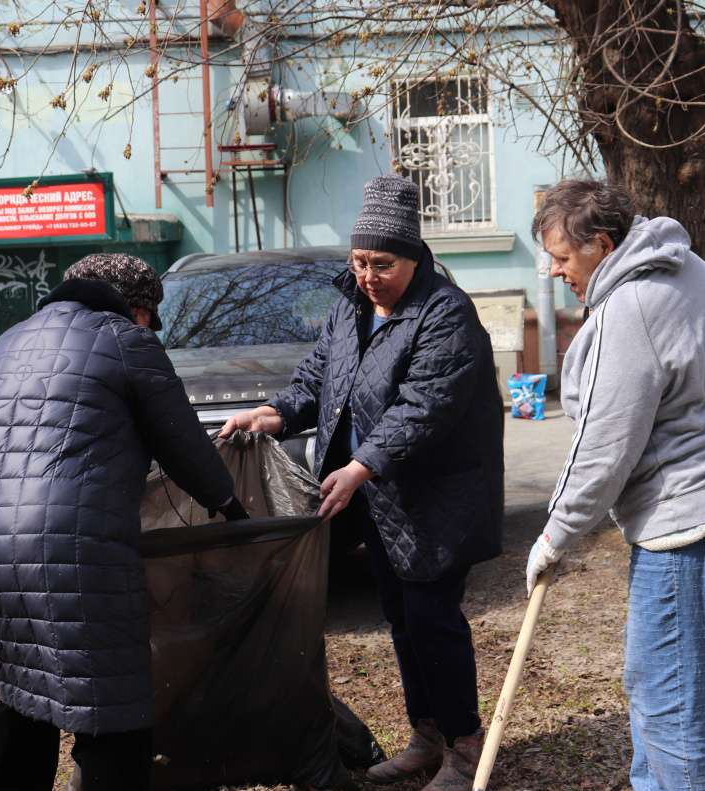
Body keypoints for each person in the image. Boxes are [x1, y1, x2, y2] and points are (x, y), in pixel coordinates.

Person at [220, 174, 504, 791]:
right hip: (377, 497)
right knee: (401, 618)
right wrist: (271, 413)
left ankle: (464, 743)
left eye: (383, 264)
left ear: (414, 258)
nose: (369, 275)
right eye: (359, 261)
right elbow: (318, 378)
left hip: (434, 498)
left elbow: (422, 408)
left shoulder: (444, 313)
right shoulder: (349, 306)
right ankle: (426, 734)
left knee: (433, 619)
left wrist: (357, 466)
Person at [0, 253, 247, 791]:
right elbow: (185, 446)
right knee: (112, 707)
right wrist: (232, 507)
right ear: (135, 308)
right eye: (152, 314)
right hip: (67, 545)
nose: (153, 326)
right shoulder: (129, 340)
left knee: (23, 689)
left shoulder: (12, 339)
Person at [524, 180, 705, 791]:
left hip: (690, 527)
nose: (554, 271)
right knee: (666, 679)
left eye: (562, 258)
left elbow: (603, 446)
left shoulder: (629, 309)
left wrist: (557, 533)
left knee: (673, 701)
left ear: (602, 245)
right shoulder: (690, 268)